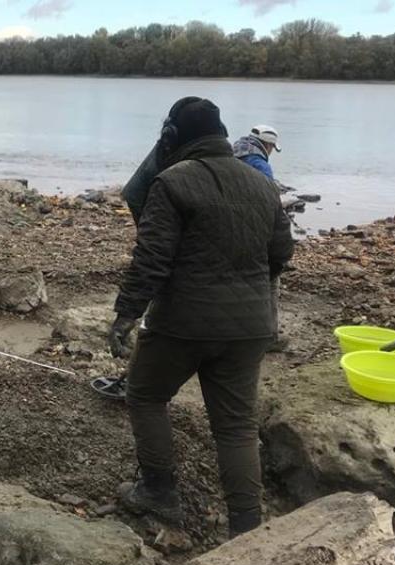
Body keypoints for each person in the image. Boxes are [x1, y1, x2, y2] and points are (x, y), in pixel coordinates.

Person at [108, 97, 294, 537]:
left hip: (183, 323)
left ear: (173, 137)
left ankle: (158, 491)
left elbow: (151, 259)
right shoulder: (263, 183)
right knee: (236, 426)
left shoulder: (172, 182)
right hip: (251, 327)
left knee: (145, 395)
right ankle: (247, 530)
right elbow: (281, 253)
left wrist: (125, 315)